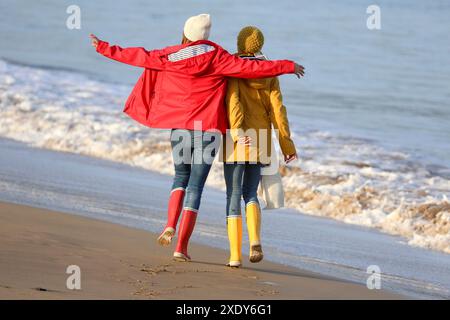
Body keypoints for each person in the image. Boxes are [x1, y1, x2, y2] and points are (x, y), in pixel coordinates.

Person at [90, 14, 304, 262]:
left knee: (180, 177)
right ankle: (181, 247)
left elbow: (139, 55)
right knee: (197, 186)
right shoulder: (219, 57)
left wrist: (104, 47)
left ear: (187, 34)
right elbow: (253, 68)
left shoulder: (171, 55)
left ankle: (170, 224)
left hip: (181, 128)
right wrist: (288, 66)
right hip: (209, 132)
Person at [222, 26, 298, 268]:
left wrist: (236, 132)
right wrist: (286, 143)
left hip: (238, 138)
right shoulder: (270, 72)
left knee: (233, 195)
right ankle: (255, 239)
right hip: (262, 137)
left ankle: (235, 256)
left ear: (240, 43)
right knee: (251, 193)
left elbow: (234, 101)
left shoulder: (234, 68)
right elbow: (279, 111)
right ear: (260, 45)